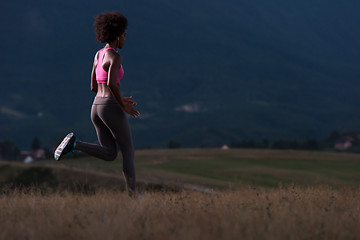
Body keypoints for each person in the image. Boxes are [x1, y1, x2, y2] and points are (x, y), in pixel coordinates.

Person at [54, 11, 140, 196]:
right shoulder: (115, 57)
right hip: (110, 107)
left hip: (96, 107)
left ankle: (75, 144)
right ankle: (133, 196)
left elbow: (94, 86)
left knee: (109, 153)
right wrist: (122, 105)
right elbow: (111, 83)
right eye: (124, 35)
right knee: (128, 150)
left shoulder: (98, 54)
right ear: (117, 36)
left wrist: (119, 99)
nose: (125, 39)